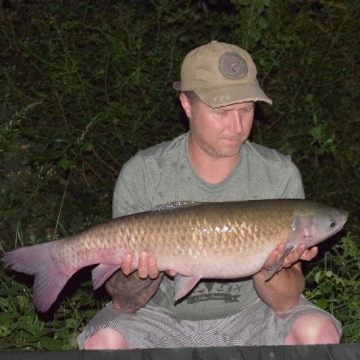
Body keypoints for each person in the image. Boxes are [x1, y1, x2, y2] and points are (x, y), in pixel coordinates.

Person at [77, 41, 341, 349]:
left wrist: (274, 263)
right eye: (222, 111)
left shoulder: (279, 174)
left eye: (246, 109)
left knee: (317, 333)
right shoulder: (144, 172)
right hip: (159, 317)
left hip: (250, 315)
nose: (237, 125)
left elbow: (285, 304)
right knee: (103, 342)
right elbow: (125, 302)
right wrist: (144, 273)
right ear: (188, 105)